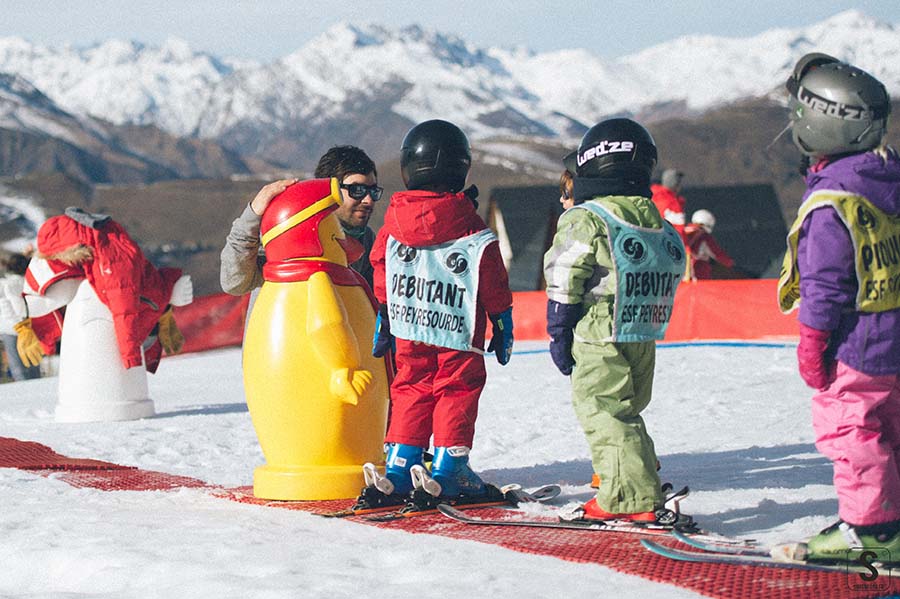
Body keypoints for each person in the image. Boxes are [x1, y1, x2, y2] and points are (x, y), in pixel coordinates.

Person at [777, 53, 900, 561]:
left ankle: (871, 529)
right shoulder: (886, 178)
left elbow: (825, 287)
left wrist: (812, 345)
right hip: (894, 335)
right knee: (890, 426)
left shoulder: (832, 202)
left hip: (857, 343)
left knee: (851, 428)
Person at [543, 118, 686, 523]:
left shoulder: (586, 216)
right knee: (628, 407)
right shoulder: (652, 214)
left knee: (603, 407)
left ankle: (628, 497)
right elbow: (675, 256)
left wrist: (559, 325)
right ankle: (640, 474)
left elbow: (564, 270)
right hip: (641, 325)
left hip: (598, 327)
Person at [366, 119, 514, 504]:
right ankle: (450, 468)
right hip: (457, 329)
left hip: (410, 327)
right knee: (457, 388)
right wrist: (502, 320)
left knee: (410, 385)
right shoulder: (472, 229)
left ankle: (400, 465)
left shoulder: (392, 226)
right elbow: (492, 278)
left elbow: (382, 269)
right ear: (460, 166)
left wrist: (385, 313)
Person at [220, 145, 382, 294]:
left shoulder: (365, 239)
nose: (368, 200)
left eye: (373, 191)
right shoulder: (291, 232)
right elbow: (234, 282)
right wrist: (252, 215)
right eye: (357, 190)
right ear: (328, 189)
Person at [0, 252, 41, 381]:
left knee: (18, 367)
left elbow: (5, 306)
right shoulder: (30, 282)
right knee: (33, 360)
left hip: (10, 329)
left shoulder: (3, 283)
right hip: (29, 327)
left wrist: (17, 325)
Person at [683, 209, 735, 280]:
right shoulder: (703, 237)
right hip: (696, 279)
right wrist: (732, 265)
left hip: (677, 281)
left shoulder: (681, 232)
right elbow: (718, 255)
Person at [650, 168, 687, 242]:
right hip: (666, 245)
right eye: (679, 183)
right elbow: (678, 231)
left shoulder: (651, 196)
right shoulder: (672, 204)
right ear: (675, 185)